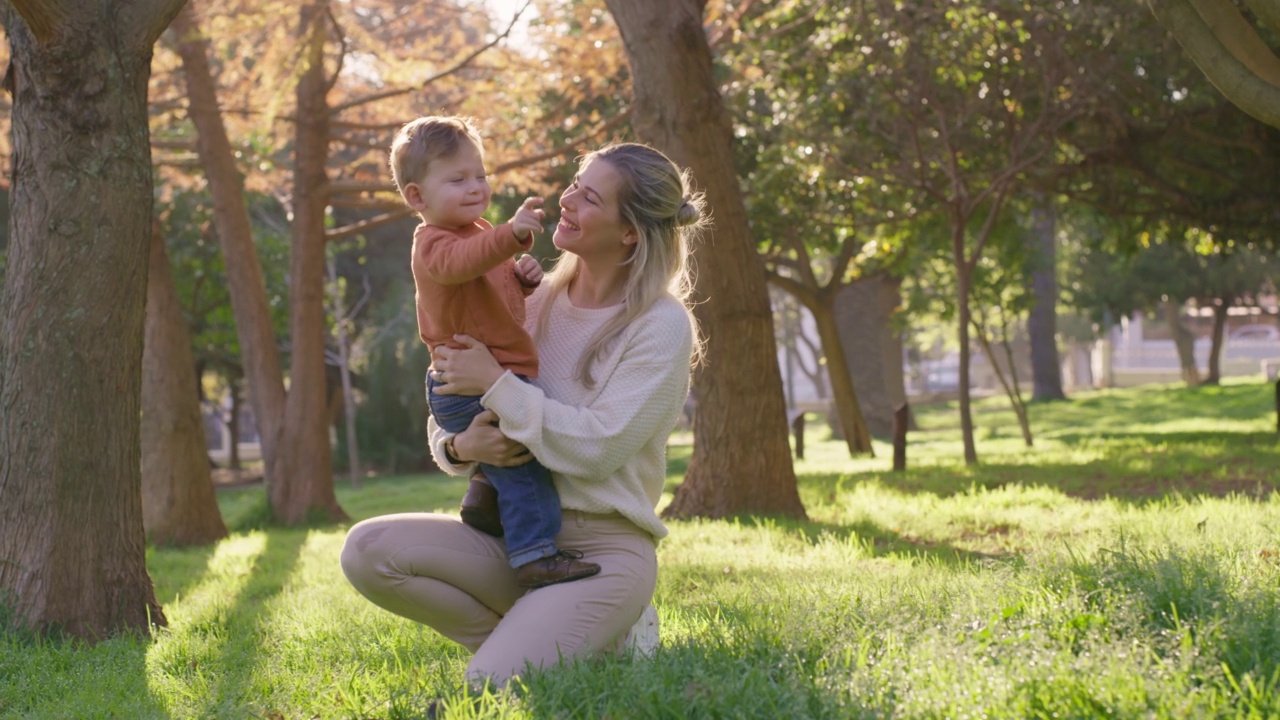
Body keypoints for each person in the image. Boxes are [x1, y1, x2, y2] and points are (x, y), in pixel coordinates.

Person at [340, 141, 706, 687]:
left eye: (588, 198)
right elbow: (451, 389)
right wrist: (460, 447)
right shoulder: (527, 297)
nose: (567, 200)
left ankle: (578, 630)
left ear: (629, 231)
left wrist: (499, 383)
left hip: (601, 551)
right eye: (574, 184)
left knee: (484, 690)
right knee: (368, 552)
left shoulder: (660, 324)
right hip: (513, 542)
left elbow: (600, 446)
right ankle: (566, 641)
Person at [389, 115, 600, 589]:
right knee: (523, 464)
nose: (475, 187)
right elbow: (462, 264)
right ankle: (535, 555)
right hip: (466, 381)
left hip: (492, 372)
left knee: (512, 457)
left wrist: (520, 279)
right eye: (457, 179)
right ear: (418, 197)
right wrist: (509, 235)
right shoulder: (434, 243)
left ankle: (483, 498)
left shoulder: (477, 232)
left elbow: (488, 295)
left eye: (480, 176)